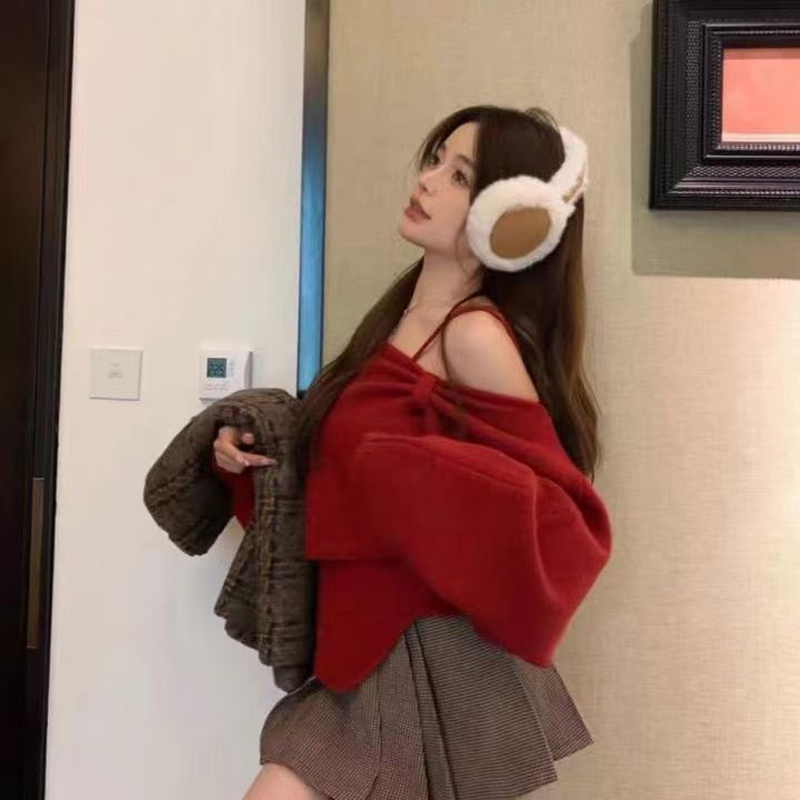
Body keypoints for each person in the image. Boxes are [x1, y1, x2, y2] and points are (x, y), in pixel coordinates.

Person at [214, 104, 609, 800]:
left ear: (510, 220)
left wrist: (417, 476)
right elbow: (343, 462)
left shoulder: (472, 336)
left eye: (460, 176)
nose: (427, 180)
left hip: (427, 652)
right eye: (435, 160)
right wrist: (246, 445)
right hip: (364, 644)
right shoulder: (401, 318)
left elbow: (559, 512)